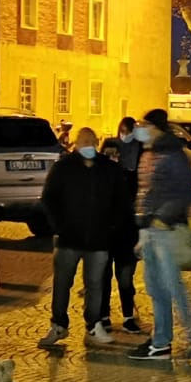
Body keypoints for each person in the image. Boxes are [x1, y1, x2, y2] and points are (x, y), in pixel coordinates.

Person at [39, 128, 130, 350]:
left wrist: (110, 228)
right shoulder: (63, 167)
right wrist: (58, 226)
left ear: (97, 142)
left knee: (95, 285)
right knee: (62, 284)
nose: (88, 144)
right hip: (68, 239)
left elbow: (122, 202)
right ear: (77, 144)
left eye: (92, 140)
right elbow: (49, 199)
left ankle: (94, 324)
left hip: (99, 240)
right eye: (84, 140)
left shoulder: (109, 169)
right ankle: (58, 324)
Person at [128, 109, 191, 361]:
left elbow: (185, 193)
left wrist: (162, 217)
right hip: (150, 231)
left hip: (166, 231)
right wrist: (142, 231)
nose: (139, 128)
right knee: (156, 289)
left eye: (143, 124)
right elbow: (144, 192)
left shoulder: (172, 154)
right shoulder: (149, 152)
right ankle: (160, 343)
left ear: (155, 127)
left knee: (173, 287)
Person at [101, 116, 144, 334]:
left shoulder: (132, 176)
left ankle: (128, 316)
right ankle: (104, 316)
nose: (115, 157)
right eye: (111, 155)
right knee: (104, 276)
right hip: (107, 232)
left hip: (126, 231)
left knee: (125, 277)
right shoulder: (103, 174)